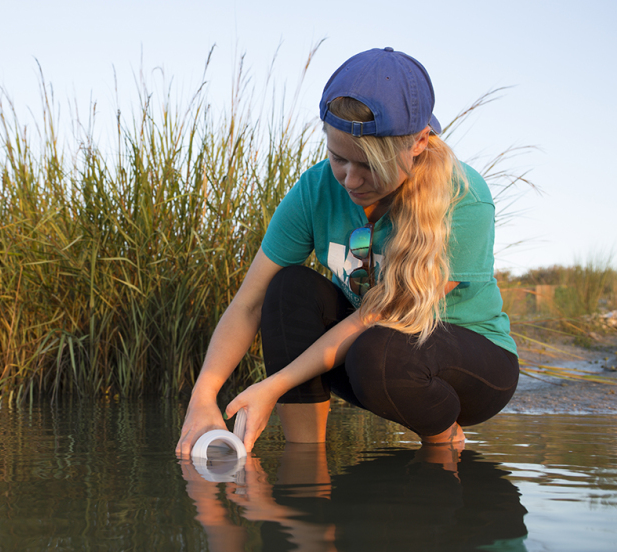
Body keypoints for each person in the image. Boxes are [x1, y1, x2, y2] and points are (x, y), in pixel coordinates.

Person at [175, 47, 519, 456]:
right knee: (288, 289)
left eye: (369, 166)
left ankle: (444, 449)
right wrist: (203, 396)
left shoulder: (464, 197)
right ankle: (304, 465)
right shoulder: (316, 189)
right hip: (364, 351)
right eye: (339, 158)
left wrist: (272, 385)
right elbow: (248, 304)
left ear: (419, 143)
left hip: (467, 366)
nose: (350, 181)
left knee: (384, 352)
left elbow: (381, 315)